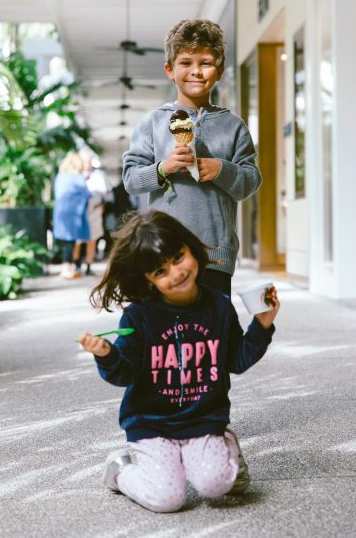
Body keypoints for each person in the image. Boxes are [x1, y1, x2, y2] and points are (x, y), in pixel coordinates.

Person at [78, 210, 279, 513]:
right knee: (168, 499)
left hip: (203, 420)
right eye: (159, 271)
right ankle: (121, 471)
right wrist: (106, 354)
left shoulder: (219, 306)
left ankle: (225, 450)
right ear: (147, 279)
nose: (175, 273)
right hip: (151, 425)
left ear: (190, 247)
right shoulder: (140, 315)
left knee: (216, 486)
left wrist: (262, 325)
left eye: (178, 257)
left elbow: (236, 359)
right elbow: (123, 374)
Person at [122, 19, 262, 297]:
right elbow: (131, 179)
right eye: (186, 62)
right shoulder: (152, 123)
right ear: (170, 70)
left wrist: (222, 169)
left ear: (219, 71)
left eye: (206, 63)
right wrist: (163, 168)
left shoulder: (233, 126)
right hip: (165, 251)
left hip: (215, 253)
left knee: (214, 330)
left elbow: (250, 181)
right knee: (166, 331)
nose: (196, 71)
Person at [52, 152, 91, 279]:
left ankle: (68, 267)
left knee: (65, 240)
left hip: (60, 211)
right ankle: (67, 267)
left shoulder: (60, 176)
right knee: (71, 240)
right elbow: (87, 193)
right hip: (73, 213)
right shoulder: (76, 177)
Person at [73, 154, 112, 275]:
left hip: (94, 210)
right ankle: (76, 264)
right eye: (85, 162)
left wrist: (101, 208)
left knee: (92, 239)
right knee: (78, 240)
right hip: (79, 211)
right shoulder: (76, 175)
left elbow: (106, 195)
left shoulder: (98, 175)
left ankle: (89, 265)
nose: (87, 164)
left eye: (89, 162)